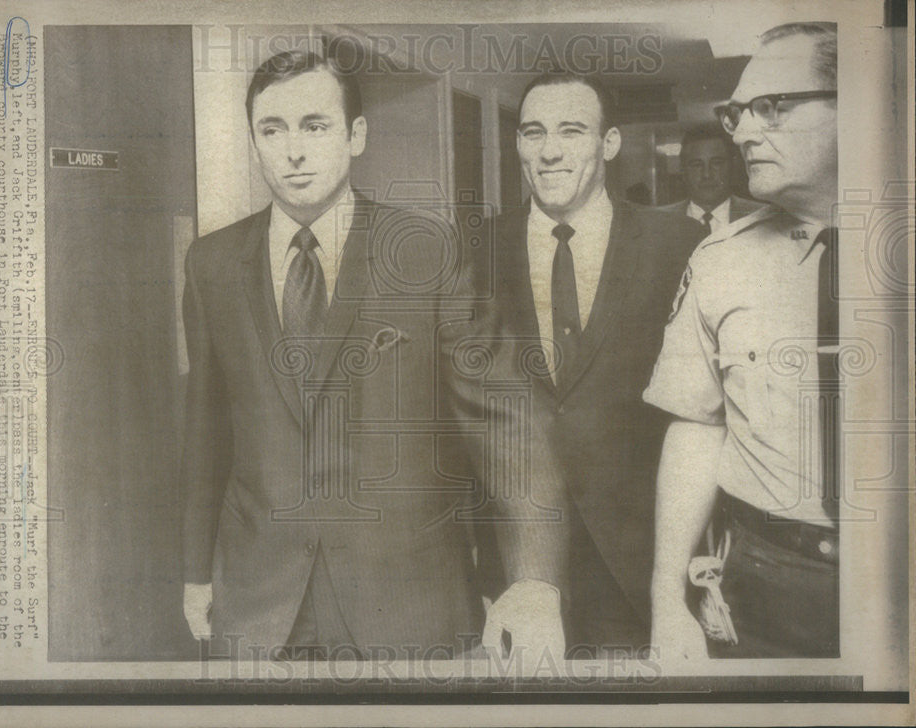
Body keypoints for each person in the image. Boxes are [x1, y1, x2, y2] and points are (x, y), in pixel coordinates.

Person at [181, 49, 564, 661]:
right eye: (271, 130)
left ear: (356, 134)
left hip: (407, 599)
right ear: (254, 140)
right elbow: (207, 429)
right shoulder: (211, 263)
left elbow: (508, 422)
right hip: (259, 601)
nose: (293, 151)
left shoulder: (428, 251)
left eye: (315, 125)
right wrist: (196, 570)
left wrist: (535, 581)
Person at [464, 69, 703, 656]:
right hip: (513, 565)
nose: (549, 151)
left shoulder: (680, 245)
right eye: (533, 132)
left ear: (610, 143)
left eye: (572, 131)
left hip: (639, 561)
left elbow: (701, 412)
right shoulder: (472, 250)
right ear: (517, 142)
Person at [645, 22, 839, 660]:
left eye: (772, 108)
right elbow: (697, 428)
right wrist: (666, 598)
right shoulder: (720, 261)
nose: (745, 133)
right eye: (738, 114)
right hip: (762, 584)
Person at [659, 125, 763, 236]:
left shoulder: (762, 218)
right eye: (697, 165)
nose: (707, 174)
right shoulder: (659, 221)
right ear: (682, 170)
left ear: (732, 166)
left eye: (716, 163)